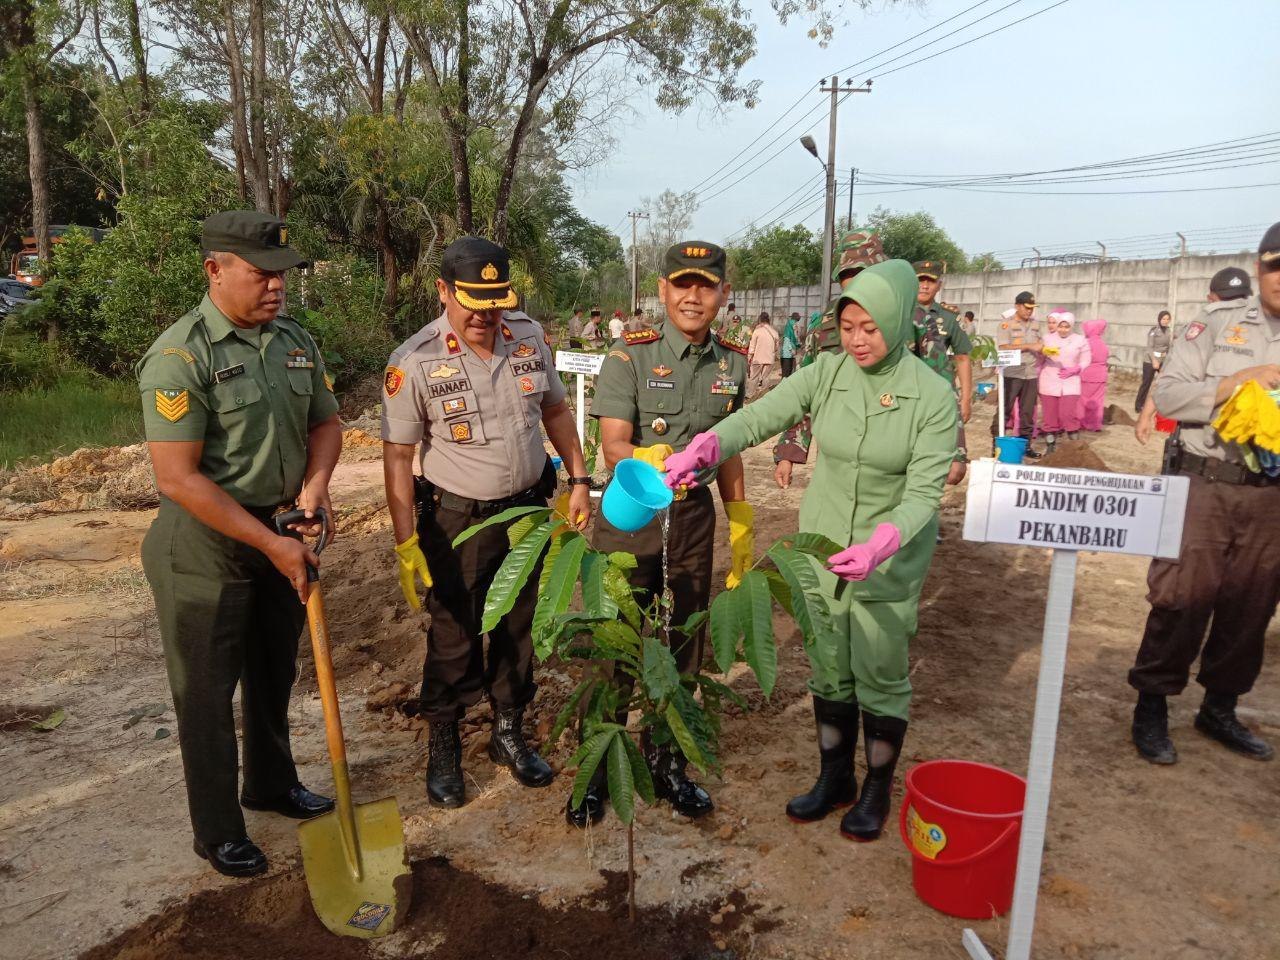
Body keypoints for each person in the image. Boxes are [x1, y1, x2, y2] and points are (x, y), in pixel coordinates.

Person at [664, 259, 957, 841]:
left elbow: (925, 492)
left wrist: (881, 544)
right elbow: (761, 417)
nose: (857, 340)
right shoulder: (827, 372)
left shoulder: (933, 395)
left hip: (888, 556)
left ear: (897, 321)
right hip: (823, 549)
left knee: (878, 670)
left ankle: (873, 787)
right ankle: (833, 778)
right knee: (827, 664)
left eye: (870, 328)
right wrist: (706, 447)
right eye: (849, 327)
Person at [138, 211, 342, 877]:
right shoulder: (180, 357)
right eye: (262, 274)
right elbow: (178, 479)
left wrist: (314, 492)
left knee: (272, 669)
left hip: (280, 531)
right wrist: (269, 541)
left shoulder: (293, 340)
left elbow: (326, 424)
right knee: (206, 691)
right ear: (215, 270)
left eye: (283, 274)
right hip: (204, 545)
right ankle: (219, 829)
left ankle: (271, 784)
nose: (277, 286)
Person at [381, 236, 592, 808]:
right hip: (457, 523)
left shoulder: (526, 335)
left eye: (495, 301)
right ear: (443, 291)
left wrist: (578, 479)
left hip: (526, 511)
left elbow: (554, 408)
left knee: (518, 628)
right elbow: (398, 458)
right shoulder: (415, 360)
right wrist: (407, 544)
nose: (485, 315)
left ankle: (508, 733)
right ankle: (445, 746)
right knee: (453, 636)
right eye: (473, 301)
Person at [567, 241, 750, 827]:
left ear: (723, 293)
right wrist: (648, 454)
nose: (693, 296)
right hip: (632, 516)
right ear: (664, 290)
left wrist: (740, 523)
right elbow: (612, 442)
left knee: (682, 642)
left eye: (706, 285)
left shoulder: (733, 363)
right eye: (682, 284)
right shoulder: (630, 357)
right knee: (614, 642)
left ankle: (669, 761)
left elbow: (731, 452)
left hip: (693, 521)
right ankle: (598, 765)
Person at [1128, 223, 1280, 766]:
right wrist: (1238, 384)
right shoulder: (1216, 324)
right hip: (1204, 482)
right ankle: (1152, 705)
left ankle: (1220, 708)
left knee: (1251, 605)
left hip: (1271, 497)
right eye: (1273, 265)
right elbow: (1167, 394)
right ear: (1259, 268)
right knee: (1180, 597)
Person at [773, 230, 888, 488]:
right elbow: (807, 390)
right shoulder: (827, 323)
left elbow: (937, 385)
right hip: (837, 454)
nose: (854, 281)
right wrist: (788, 453)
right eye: (847, 274)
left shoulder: (907, 319)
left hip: (893, 452)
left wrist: (953, 449)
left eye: (862, 272)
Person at [1135, 268, 1252, 446]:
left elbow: (1172, 379)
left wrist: (1147, 413)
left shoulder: (1204, 323)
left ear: (1211, 298)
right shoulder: (1264, 326)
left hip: (1205, 442)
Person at [912, 260, 972, 484]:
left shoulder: (948, 316)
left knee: (955, 470)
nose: (925, 286)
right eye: (920, 280)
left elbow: (963, 357)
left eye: (930, 281)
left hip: (943, 395)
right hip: (909, 394)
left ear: (939, 285)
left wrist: (966, 398)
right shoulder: (900, 312)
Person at [994, 291, 1043, 458]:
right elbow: (1003, 347)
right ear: (1017, 306)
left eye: (1032, 308)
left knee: (1028, 412)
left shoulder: (1036, 324)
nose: (1029, 311)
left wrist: (1044, 348)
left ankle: (1025, 445)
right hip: (1012, 373)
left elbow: (1040, 342)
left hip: (1030, 372)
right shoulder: (1005, 325)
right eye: (1026, 307)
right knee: (1004, 410)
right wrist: (1029, 346)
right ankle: (996, 445)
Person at [1036, 310, 1091, 449]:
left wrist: (1076, 369)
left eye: (1067, 327)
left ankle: (1076, 446)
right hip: (1049, 379)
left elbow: (1086, 360)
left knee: (1068, 414)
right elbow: (1040, 359)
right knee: (1049, 416)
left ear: (1071, 326)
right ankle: (1050, 447)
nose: (1063, 329)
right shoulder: (1047, 338)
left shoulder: (1080, 340)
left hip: (1071, 381)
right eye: (1061, 326)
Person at [1134, 310, 1173, 413]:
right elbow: (1149, 348)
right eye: (1163, 319)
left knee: (1165, 382)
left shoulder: (1169, 331)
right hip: (1150, 361)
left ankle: (1161, 405)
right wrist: (1154, 361)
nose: (1165, 321)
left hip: (1163, 360)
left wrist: (1168, 361)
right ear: (1159, 319)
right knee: (1146, 383)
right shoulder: (1153, 331)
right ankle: (1139, 405)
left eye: (1167, 319)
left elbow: (1168, 348)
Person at [1079, 318, 1109, 432]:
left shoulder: (1085, 343)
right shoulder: (1103, 344)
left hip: (1086, 375)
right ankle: (1095, 424)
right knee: (1098, 400)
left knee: (1083, 400)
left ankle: (1083, 422)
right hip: (1100, 376)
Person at [747, 312, 780, 398]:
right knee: (766, 377)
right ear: (768, 320)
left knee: (754, 377)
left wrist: (749, 357)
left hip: (757, 359)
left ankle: (751, 395)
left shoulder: (757, 331)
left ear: (760, 320)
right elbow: (776, 348)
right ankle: (764, 396)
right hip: (769, 359)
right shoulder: (774, 332)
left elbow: (752, 346)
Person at [780, 311, 801, 377]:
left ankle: (784, 382)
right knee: (788, 369)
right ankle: (785, 383)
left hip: (785, 349)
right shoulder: (794, 323)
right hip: (789, 349)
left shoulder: (788, 323)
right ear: (796, 317)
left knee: (785, 369)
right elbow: (795, 335)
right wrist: (798, 343)